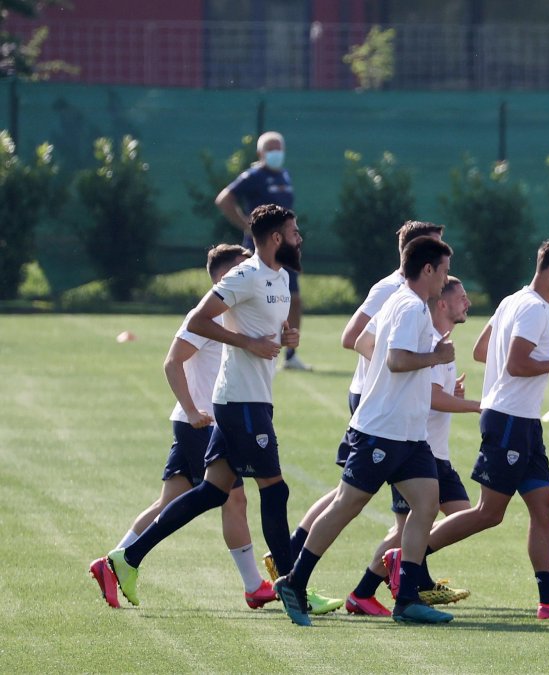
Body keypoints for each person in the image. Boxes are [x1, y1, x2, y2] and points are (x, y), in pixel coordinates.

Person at [102, 204, 303, 607]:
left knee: (212, 493)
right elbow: (193, 326)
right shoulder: (244, 276)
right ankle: (291, 588)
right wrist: (246, 345)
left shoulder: (280, 278)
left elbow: (264, 332)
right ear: (276, 237)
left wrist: (284, 338)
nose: (300, 238)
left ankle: (127, 557)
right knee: (273, 490)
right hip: (235, 403)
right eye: (295, 231)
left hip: (250, 399)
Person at [272, 236, 457, 626]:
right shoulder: (410, 306)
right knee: (347, 504)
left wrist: (392, 383)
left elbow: (364, 341)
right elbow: (396, 360)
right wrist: (435, 357)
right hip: (382, 430)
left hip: (409, 432)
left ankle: (407, 599)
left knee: (426, 504)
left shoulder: (401, 302)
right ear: (427, 269)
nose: (446, 279)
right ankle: (294, 581)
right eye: (443, 271)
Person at [419, 240, 549, 621]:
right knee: (489, 512)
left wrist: (533, 364)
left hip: (523, 421)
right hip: (510, 420)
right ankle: (407, 556)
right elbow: (516, 364)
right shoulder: (534, 309)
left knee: (545, 509)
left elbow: (482, 350)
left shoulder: (514, 300)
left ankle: (548, 600)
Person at [362, 277, 478, 615]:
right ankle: (378, 587)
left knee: (453, 517)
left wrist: (453, 394)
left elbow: (434, 393)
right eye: (462, 297)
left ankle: (406, 580)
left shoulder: (442, 344)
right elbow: (430, 397)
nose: (468, 303)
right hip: (417, 449)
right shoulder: (430, 343)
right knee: (408, 526)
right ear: (442, 304)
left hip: (432, 451)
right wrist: (477, 405)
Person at [215, 131, 309, 371]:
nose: (276, 153)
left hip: (284, 248)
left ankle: (290, 355)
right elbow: (224, 199)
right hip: (261, 249)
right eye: (271, 149)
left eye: (279, 148)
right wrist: (246, 225)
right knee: (251, 297)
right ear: (260, 153)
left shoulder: (285, 174)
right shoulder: (254, 176)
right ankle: (240, 344)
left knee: (294, 298)